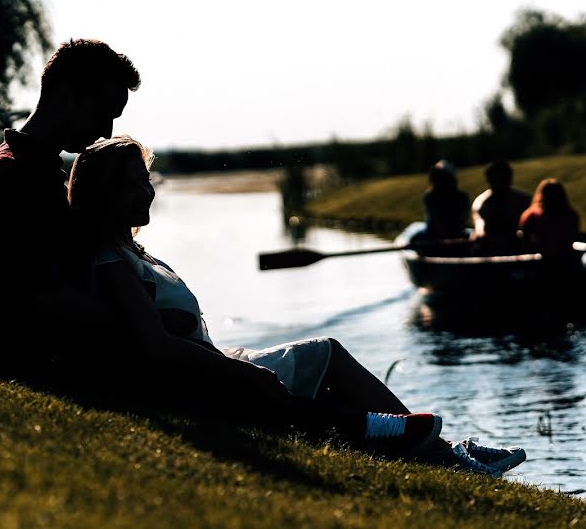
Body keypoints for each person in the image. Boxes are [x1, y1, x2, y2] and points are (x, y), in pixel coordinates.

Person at [67, 136, 527, 476]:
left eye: (145, 181)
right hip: (208, 385)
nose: (145, 192)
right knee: (325, 352)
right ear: (103, 195)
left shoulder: (131, 254)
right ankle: (443, 454)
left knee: (325, 361)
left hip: (214, 368)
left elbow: (172, 331)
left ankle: (439, 451)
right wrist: (242, 371)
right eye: (130, 186)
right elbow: (156, 346)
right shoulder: (112, 263)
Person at [0, 38, 141, 380]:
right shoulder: (17, 177)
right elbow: (45, 299)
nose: (105, 133)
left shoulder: (26, 166)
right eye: (102, 114)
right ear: (67, 96)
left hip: (9, 349)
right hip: (12, 360)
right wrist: (145, 323)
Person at [470, 161, 530, 253]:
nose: (500, 183)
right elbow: (480, 227)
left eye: (503, 178)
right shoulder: (482, 202)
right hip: (492, 248)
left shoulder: (523, 199)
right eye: (497, 179)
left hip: (519, 246)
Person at [518, 178, 580, 258]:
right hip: (565, 258)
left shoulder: (532, 215)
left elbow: (524, 239)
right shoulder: (571, 215)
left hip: (539, 259)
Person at [420, 160, 470, 240]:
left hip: (436, 236)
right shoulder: (462, 196)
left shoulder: (430, 196)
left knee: (413, 230)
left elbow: (438, 223)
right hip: (455, 233)